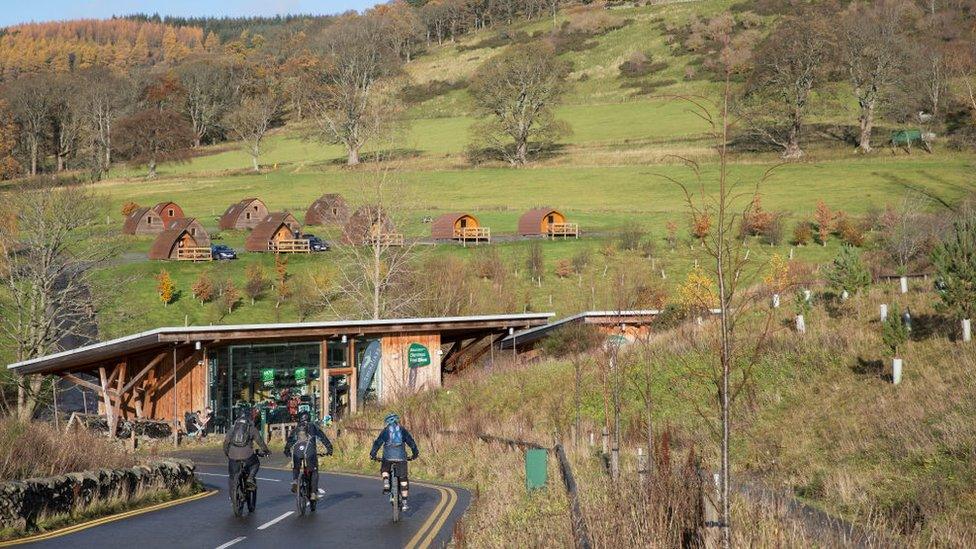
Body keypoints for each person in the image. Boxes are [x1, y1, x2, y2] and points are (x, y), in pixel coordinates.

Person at [369, 412, 419, 512]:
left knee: (384, 468)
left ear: (387, 422)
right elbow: (411, 442)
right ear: (397, 420)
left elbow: (378, 443)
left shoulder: (385, 431)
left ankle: (386, 481)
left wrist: (373, 454)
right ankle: (404, 503)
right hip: (401, 457)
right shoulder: (403, 430)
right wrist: (415, 453)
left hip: (388, 456)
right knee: (403, 479)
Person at [284, 411, 334, 500]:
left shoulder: (297, 428)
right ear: (309, 418)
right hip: (310, 451)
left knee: (296, 467)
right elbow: (322, 437)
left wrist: (287, 450)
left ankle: (295, 480)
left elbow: (290, 439)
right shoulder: (313, 426)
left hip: (297, 450)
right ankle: (313, 493)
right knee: (314, 472)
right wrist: (329, 449)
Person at [223, 406, 270, 497]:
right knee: (255, 463)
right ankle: (250, 478)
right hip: (247, 455)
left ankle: (232, 496)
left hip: (232, 455)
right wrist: (266, 450)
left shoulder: (233, 428)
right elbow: (260, 441)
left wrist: (227, 453)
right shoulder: (251, 428)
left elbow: (226, 443)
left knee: (232, 476)